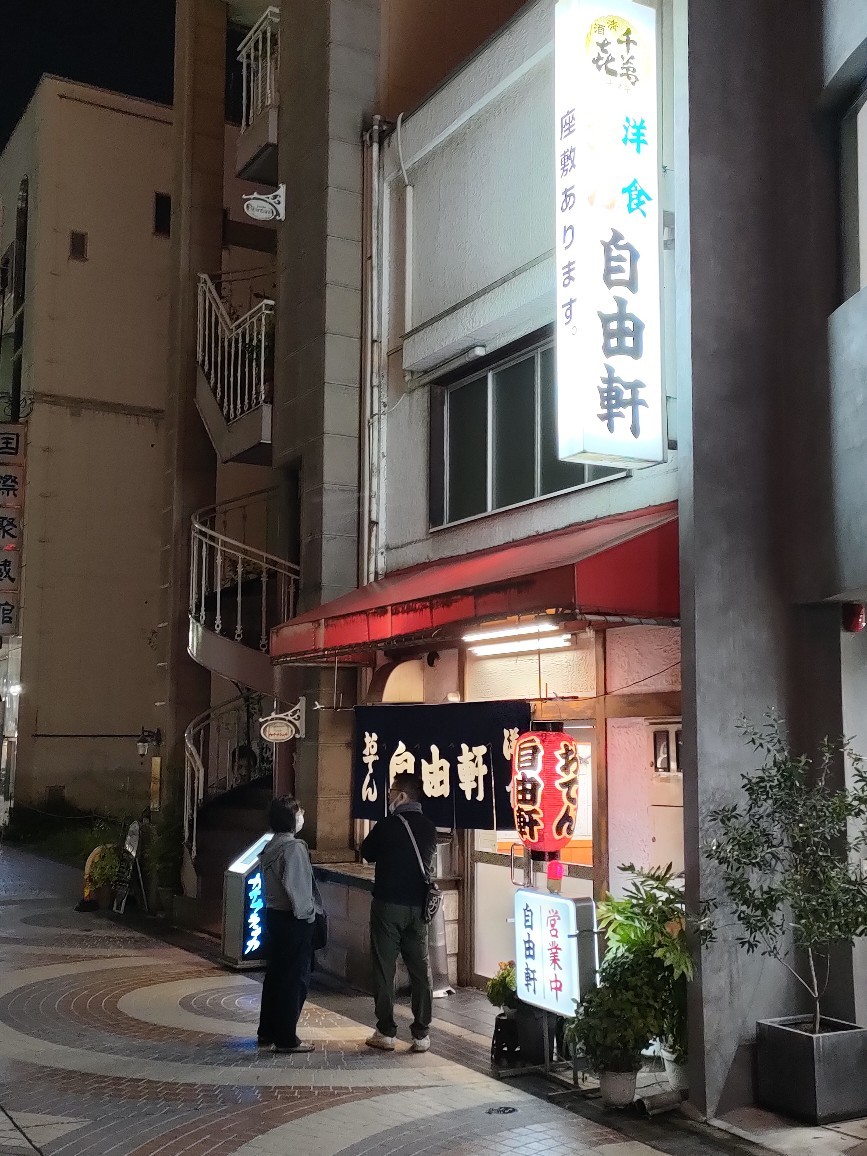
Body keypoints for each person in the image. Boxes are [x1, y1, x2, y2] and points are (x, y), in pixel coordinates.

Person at [360, 773, 437, 1053]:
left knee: (384, 968)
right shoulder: (429, 828)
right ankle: (421, 1034)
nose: (389, 796)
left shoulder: (387, 825)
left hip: (388, 907)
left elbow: (367, 852)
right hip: (418, 909)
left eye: (392, 792)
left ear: (402, 796)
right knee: (420, 969)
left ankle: (386, 1031)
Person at [257, 795, 323, 1054]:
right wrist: (309, 917)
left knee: (276, 975)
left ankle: (267, 1030)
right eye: (299, 812)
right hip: (294, 919)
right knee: (294, 979)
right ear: (291, 818)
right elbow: (299, 890)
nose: (302, 815)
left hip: (274, 915)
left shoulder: (271, 846)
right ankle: (286, 1037)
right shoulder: (293, 848)